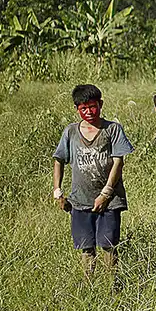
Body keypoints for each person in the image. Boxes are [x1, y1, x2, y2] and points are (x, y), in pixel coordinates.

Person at [52, 84, 134, 277]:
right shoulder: (70, 132)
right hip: (80, 200)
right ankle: (90, 286)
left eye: (93, 106)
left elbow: (118, 162)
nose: (89, 112)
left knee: (108, 245)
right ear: (77, 109)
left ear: (101, 104)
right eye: (83, 108)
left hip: (110, 201)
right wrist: (58, 192)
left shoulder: (112, 129)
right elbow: (59, 160)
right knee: (86, 247)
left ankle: (112, 285)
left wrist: (105, 194)